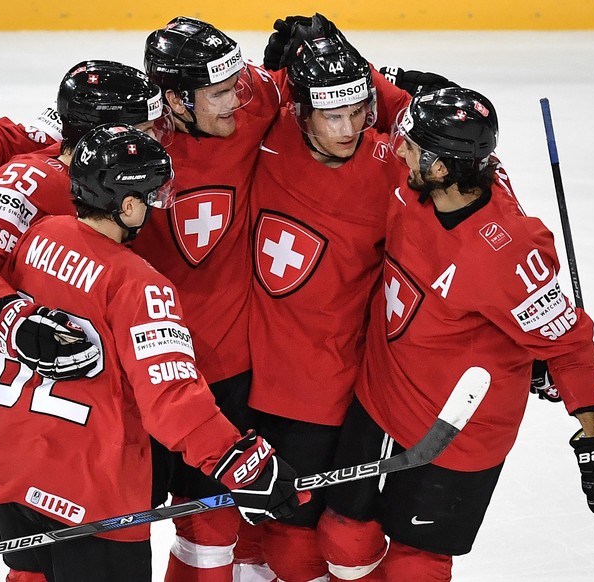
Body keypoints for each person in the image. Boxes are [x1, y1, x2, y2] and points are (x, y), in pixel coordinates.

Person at [316, 87, 594, 580]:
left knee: (416, 566)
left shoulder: (506, 251)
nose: (397, 149)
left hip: (459, 433)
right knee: (343, 540)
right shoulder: (424, 179)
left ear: (443, 168)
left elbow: (567, 342)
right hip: (380, 399)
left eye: (411, 145)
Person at [0, 123, 303, 581]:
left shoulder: (38, 237)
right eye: (152, 195)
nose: (157, 206)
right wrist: (241, 462)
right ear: (126, 204)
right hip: (94, 492)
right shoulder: (141, 284)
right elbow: (172, 399)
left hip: (17, 467)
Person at [0, 60, 173, 582]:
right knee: (48, 564)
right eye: (147, 126)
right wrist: (15, 319)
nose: (159, 137)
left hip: (95, 412)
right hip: (21, 412)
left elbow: (25, 129)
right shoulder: (29, 181)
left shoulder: (105, 169)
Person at [245, 35, 406, 581]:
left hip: (327, 384)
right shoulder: (262, 129)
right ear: (300, 108)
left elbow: (470, 181)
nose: (347, 130)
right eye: (332, 115)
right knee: (252, 534)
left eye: (358, 112)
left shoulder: (390, 164)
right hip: (246, 376)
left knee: (307, 541)